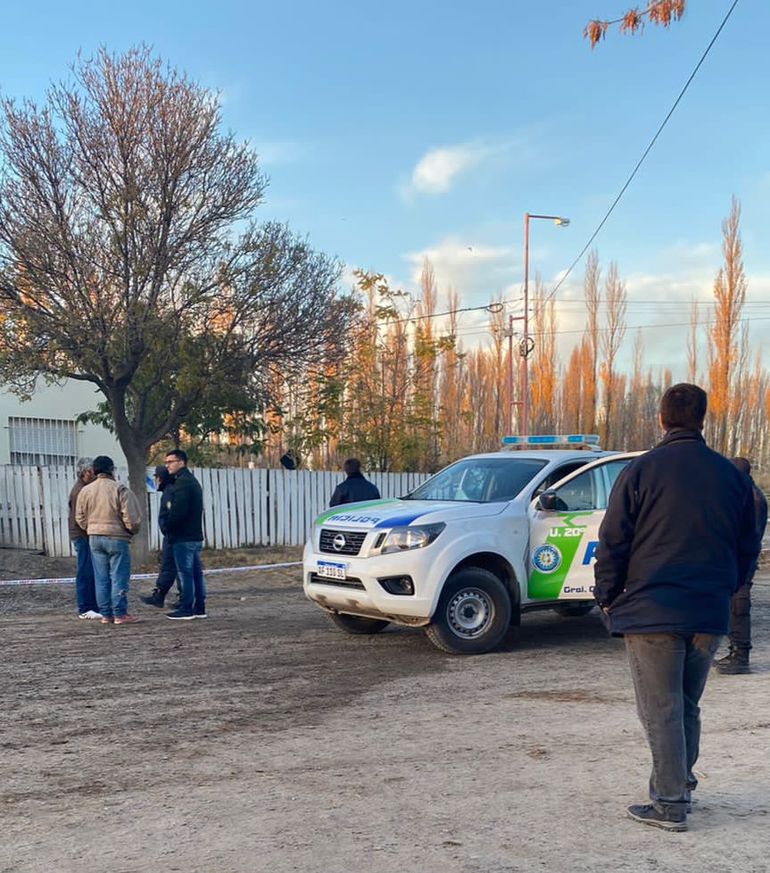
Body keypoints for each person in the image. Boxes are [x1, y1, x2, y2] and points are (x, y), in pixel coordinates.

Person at [593, 383, 759, 833]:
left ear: (662, 419)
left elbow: (613, 540)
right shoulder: (732, 477)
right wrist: (731, 588)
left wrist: (606, 595)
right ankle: (680, 782)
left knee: (661, 707)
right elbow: (749, 544)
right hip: (709, 610)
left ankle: (669, 803)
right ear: (703, 418)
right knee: (685, 704)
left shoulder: (642, 470)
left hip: (652, 609)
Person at [714, 457, 768, 674]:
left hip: (741, 559)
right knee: (735, 605)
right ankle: (736, 651)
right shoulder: (751, 494)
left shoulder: (750, 498)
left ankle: (740, 655)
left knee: (739, 606)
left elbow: (745, 534)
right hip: (741, 558)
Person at [76, 455, 142, 625]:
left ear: (95, 470)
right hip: (117, 537)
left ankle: (106, 614)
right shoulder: (120, 489)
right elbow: (132, 518)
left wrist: (90, 528)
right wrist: (130, 530)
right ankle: (120, 613)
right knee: (118, 576)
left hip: (94, 538)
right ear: (112, 469)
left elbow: (80, 517)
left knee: (101, 578)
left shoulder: (85, 491)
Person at [163, 449, 207, 620]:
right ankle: (200, 607)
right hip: (194, 535)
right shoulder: (192, 481)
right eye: (166, 462)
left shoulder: (182, 483)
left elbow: (178, 512)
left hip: (183, 536)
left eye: (170, 462)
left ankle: (187, 607)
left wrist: (168, 527)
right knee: (196, 573)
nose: (167, 466)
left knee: (186, 573)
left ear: (181, 462)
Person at [141, 465, 181, 609]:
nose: (156, 480)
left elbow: (171, 515)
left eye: (157, 477)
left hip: (173, 536)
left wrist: (168, 530)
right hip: (173, 535)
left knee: (170, 567)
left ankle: (161, 596)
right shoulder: (170, 490)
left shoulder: (169, 492)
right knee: (173, 567)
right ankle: (163, 595)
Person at [68, 457, 101, 619]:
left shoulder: (83, 488)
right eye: (91, 471)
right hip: (82, 535)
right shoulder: (80, 491)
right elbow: (79, 517)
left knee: (89, 570)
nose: (94, 474)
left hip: (83, 534)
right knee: (85, 571)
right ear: (85, 473)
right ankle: (85, 607)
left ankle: (91, 605)